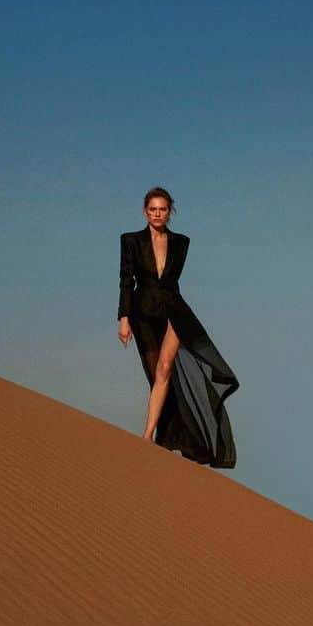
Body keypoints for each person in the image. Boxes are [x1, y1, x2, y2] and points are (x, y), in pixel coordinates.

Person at [118, 188, 238, 467]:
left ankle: (147, 436)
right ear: (145, 211)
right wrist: (123, 318)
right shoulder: (131, 240)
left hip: (173, 309)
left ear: (170, 211)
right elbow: (126, 279)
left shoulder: (182, 243)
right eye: (152, 209)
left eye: (162, 209)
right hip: (143, 312)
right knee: (155, 374)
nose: (157, 214)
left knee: (165, 369)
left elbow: (172, 282)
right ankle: (164, 436)